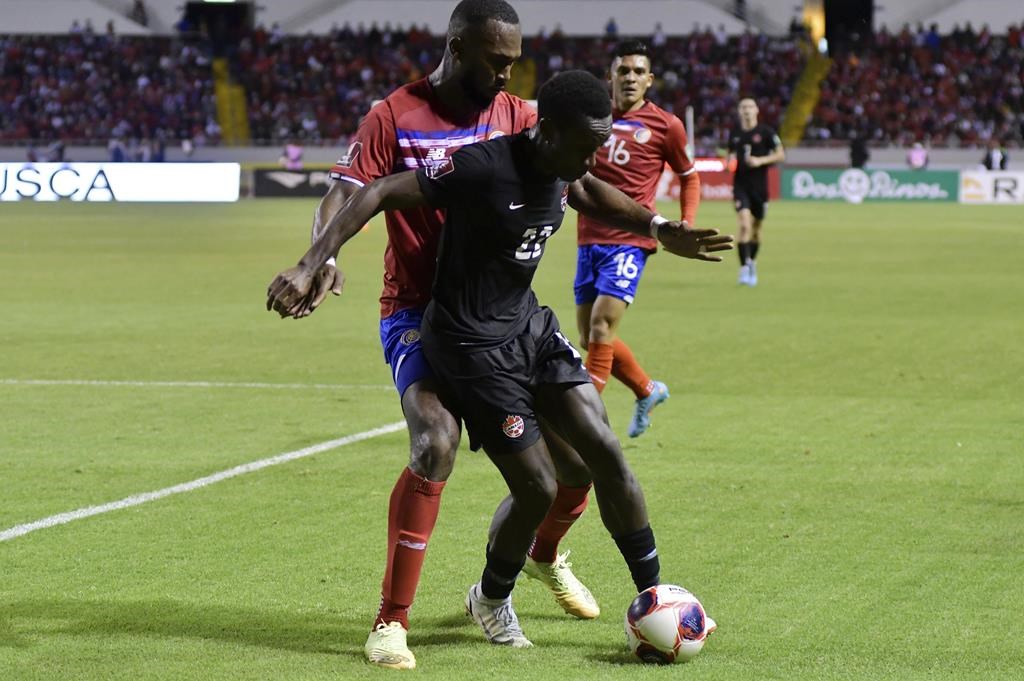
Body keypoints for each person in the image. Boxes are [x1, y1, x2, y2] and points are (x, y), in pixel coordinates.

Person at [267, 69, 730, 650]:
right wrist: (315, 261)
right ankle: (486, 600)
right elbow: (379, 189)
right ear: (551, 131)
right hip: (471, 346)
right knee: (534, 486)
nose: (594, 159)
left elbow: (583, 188)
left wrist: (659, 225)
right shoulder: (481, 165)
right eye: (586, 146)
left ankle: (660, 596)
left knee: (601, 454)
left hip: (528, 327)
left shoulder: (562, 165)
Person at [273, 0, 592, 669]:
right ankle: (391, 622)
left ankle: (539, 558)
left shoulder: (519, 116)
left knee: (575, 463)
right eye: (496, 60)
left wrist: (651, 227)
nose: (507, 75)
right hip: (417, 312)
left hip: (503, 317)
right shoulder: (393, 114)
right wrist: (319, 260)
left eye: (514, 61)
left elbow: (571, 177)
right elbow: (350, 191)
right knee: (435, 439)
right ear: (458, 46)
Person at [571, 40, 701, 439]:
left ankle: (584, 423)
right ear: (609, 76)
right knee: (590, 337)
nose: (630, 78)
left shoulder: (667, 125)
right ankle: (648, 390)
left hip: (632, 240)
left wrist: (685, 223)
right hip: (588, 238)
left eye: (637, 72)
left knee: (600, 326)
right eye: (623, 71)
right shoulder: (591, 117)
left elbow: (689, 175)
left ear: (650, 80)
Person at [728, 97, 784, 287]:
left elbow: (780, 154)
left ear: (757, 110)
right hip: (740, 186)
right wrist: (729, 163)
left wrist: (760, 161)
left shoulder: (766, 132)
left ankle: (752, 262)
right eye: (743, 107)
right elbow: (730, 155)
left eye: (750, 107)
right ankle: (744, 268)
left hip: (760, 188)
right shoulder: (734, 134)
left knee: (756, 230)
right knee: (744, 226)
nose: (747, 110)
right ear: (739, 111)